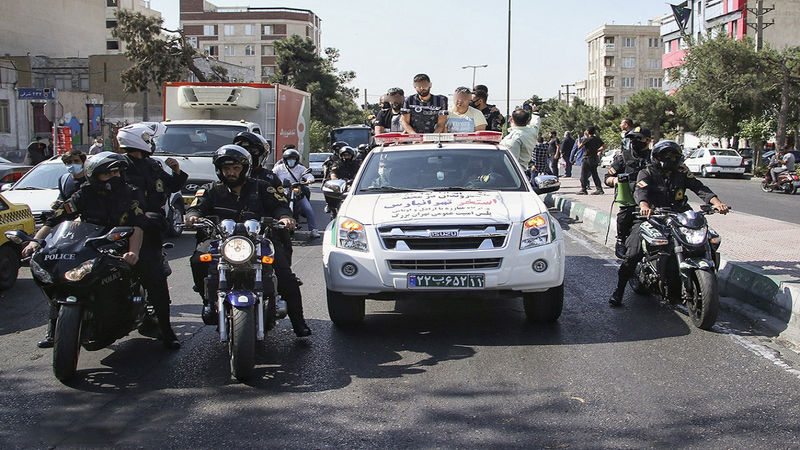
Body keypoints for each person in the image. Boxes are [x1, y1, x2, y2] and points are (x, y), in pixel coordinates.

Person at [184, 145, 311, 337]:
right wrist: (192, 216)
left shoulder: (261, 187)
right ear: (219, 169)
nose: (231, 172)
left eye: (236, 168)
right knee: (197, 260)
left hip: (259, 239)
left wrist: (286, 217)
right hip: (220, 241)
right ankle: (208, 299)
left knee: (285, 276)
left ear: (245, 168)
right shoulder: (210, 190)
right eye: (227, 168)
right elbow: (196, 208)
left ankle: (298, 323)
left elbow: (279, 205)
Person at [23, 152, 145, 348]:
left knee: (150, 271)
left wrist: (134, 252)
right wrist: (35, 242)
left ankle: (163, 327)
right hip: (89, 242)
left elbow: (137, 225)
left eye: (117, 173)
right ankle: (54, 328)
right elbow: (58, 217)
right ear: (94, 176)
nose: (114, 177)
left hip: (119, 243)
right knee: (58, 276)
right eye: (108, 174)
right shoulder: (84, 194)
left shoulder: (130, 192)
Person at [608, 140, 729, 306]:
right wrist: (644, 206)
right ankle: (619, 290)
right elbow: (640, 191)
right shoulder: (647, 172)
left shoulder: (682, 172)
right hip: (651, 216)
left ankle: (703, 284)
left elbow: (699, 188)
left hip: (679, 216)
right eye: (666, 156)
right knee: (633, 253)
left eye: (673, 156)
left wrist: (717, 202)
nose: (670, 159)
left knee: (707, 241)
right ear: (657, 157)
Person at [116, 122, 187, 349]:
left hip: (150, 233)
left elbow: (172, 185)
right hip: (119, 230)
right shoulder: (118, 166)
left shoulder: (153, 165)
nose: (151, 142)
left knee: (156, 282)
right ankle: (55, 328)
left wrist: (176, 171)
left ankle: (166, 331)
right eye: (147, 138)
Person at [604, 126, 652, 258]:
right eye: (632, 138)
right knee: (625, 216)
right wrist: (615, 180)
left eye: (638, 138)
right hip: (629, 199)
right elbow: (607, 178)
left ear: (648, 140)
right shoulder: (623, 157)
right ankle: (620, 240)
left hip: (650, 198)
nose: (634, 141)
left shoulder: (654, 158)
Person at [273, 148, 320, 239]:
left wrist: (309, 180)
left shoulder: (301, 168)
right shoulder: (279, 168)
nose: (291, 160)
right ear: (285, 159)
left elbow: (309, 175)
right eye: (289, 158)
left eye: (293, 158)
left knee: (308, 209)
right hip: (282, 193)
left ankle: (313, 230)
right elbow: (272, 175)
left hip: (297, 192)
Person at [577, 126, 605, 195]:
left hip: (587, 158)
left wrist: (578, 139)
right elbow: (604, 146)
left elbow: (579, 146)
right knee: (595, 174)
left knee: (583, 174)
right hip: (594, 158)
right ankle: (599, 189)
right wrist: (597, 150)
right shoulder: (597, 139)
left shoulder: (587, 139)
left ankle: (583, 189)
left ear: (588, 132)